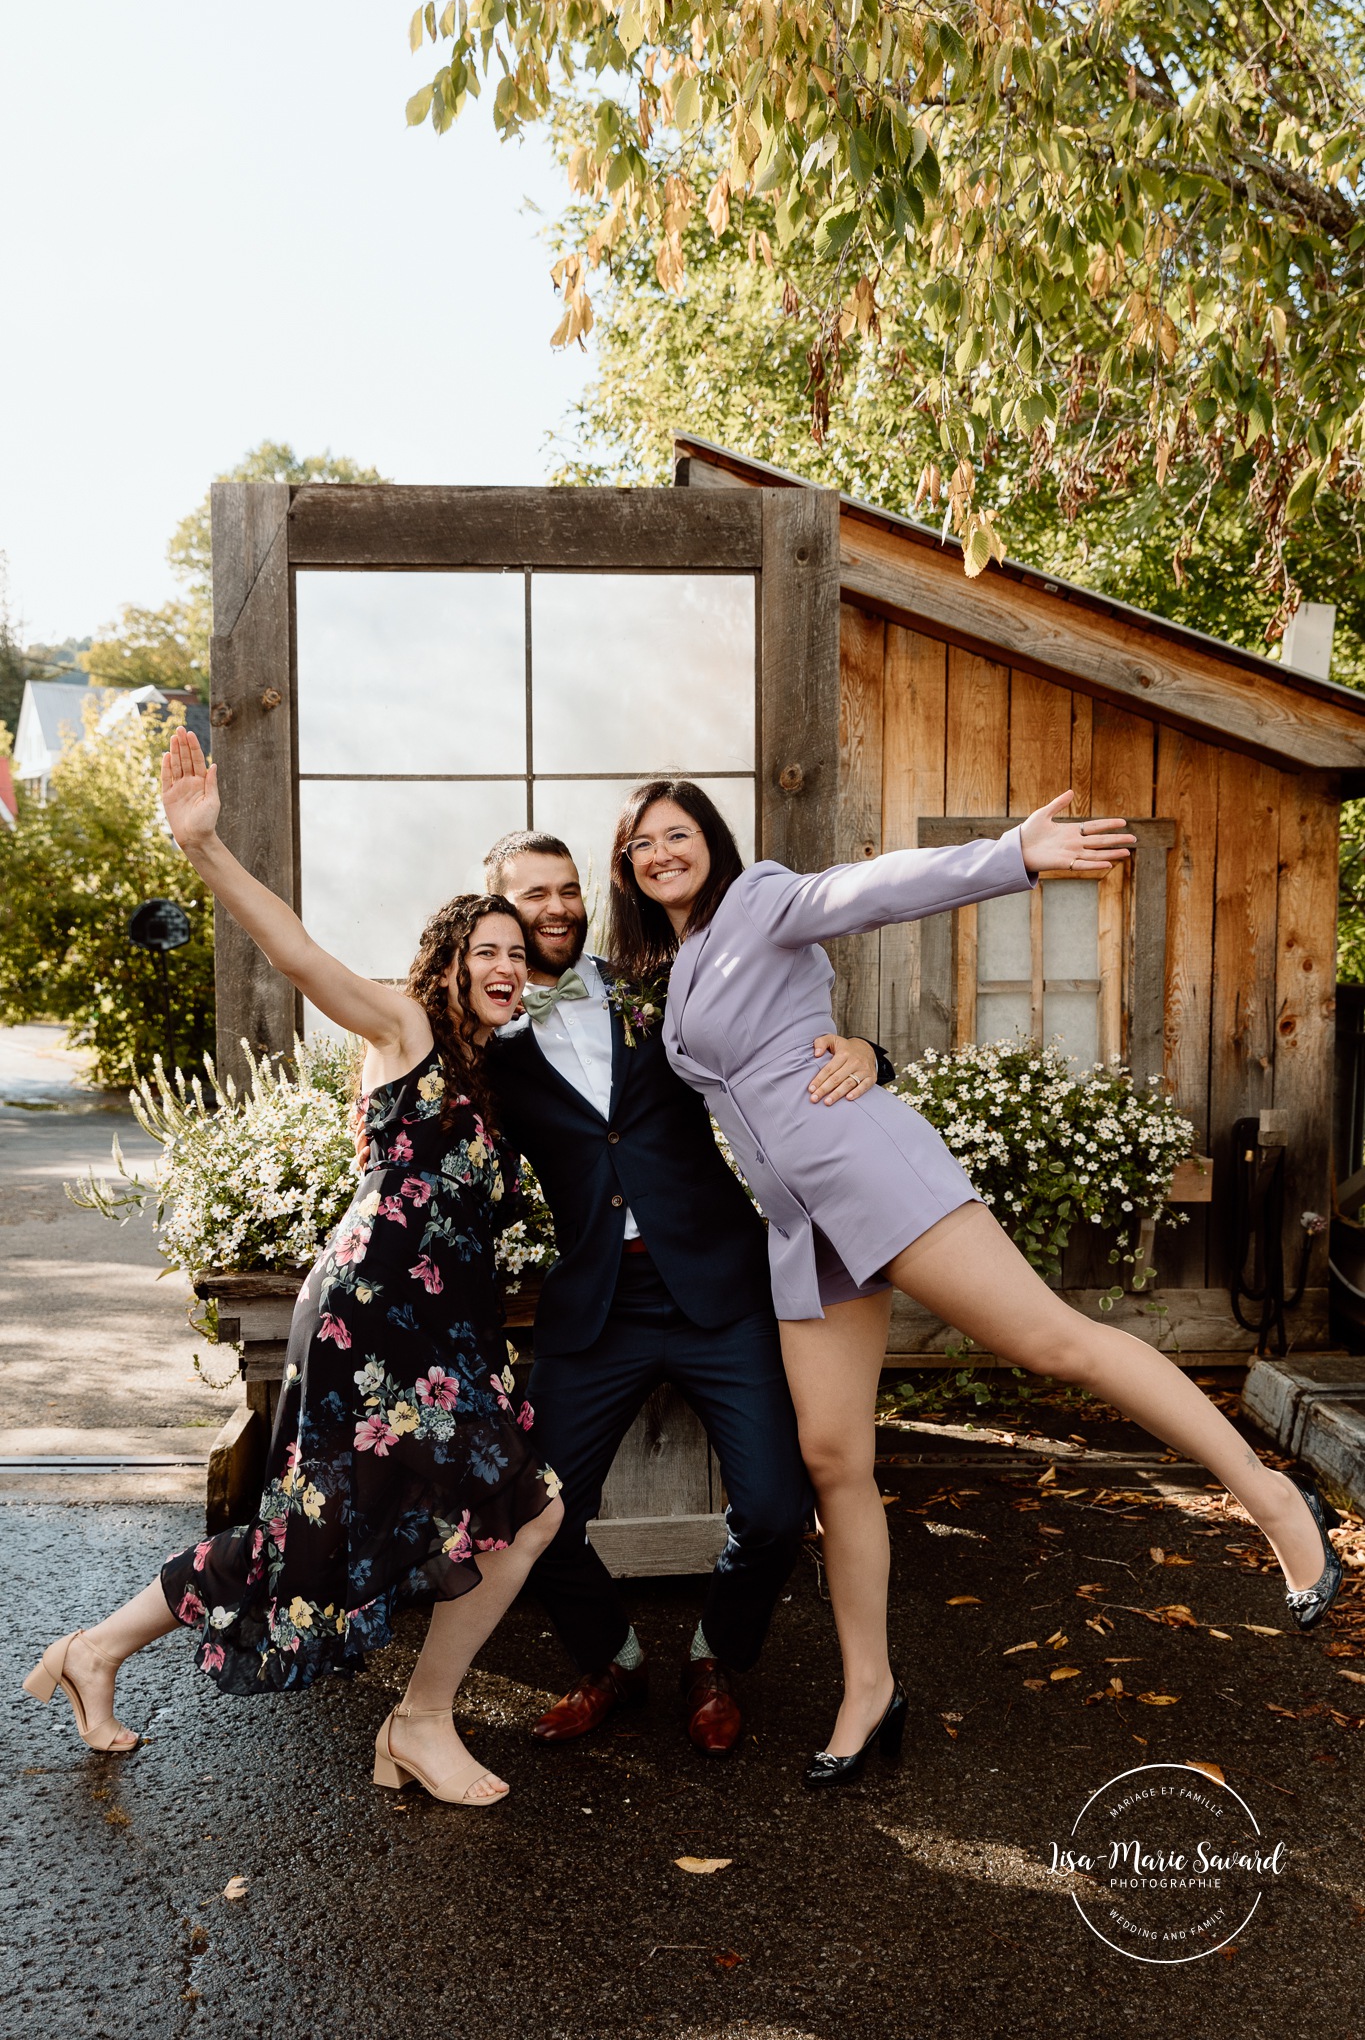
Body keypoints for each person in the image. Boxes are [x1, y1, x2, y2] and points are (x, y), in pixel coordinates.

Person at [607, 777, 1345, 1787]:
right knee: (832, 1459)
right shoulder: (675, 964)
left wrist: (1012, 857)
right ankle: (869, 1688)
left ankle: (1272, 1499)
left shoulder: (761, 899)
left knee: (1052, 1339)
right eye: (641, 842)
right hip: (800, 1223)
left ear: (713, 841)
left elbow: (874, 887)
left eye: (676, 832)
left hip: (866, 1167)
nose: (659, 852)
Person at [22, 728, 564, 1809]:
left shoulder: (493, 1074)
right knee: (511, 1508)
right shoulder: (404, 1027)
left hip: (442, 1338)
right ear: (448, 961)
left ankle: (99, 1649)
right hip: (367, 1324)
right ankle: (415, 1722)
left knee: (328, 1532)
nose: (507, 967)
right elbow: (300, 954)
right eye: (487, 950)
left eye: (519, 952)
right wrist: (208, 851)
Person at [476, 828, 895, 1754]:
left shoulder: (649, 988)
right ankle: (611, 1660)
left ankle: (715, 1656)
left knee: (780, 1511)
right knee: (532, 1509)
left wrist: (866, 1050)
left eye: (566, 890)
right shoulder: (485, 1043)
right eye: (530, 896)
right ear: (498, 910)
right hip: (595, 1307)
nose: (554, 909)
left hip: (720, 1286)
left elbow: (775, 1041)